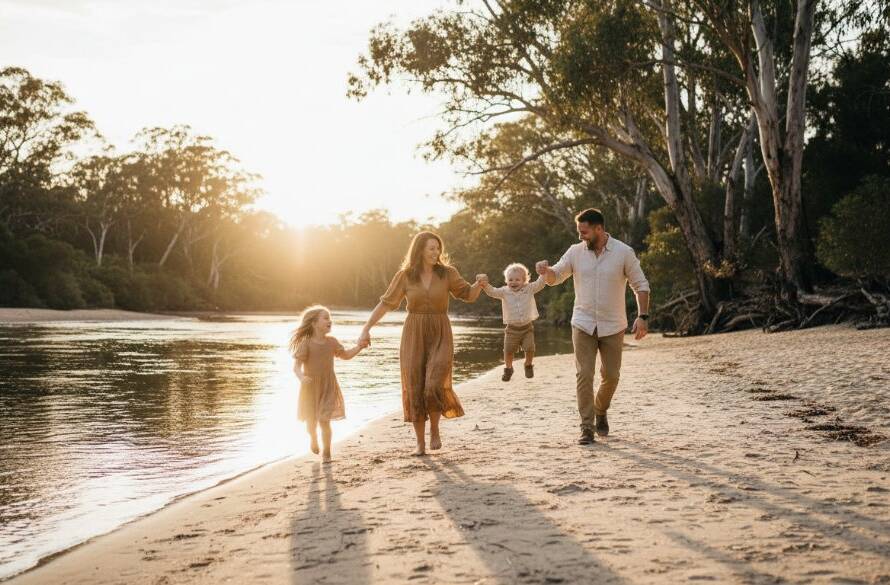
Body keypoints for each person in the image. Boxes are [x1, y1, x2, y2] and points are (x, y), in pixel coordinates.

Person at [358, 231, 483, 456]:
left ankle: (435, 430)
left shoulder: (448, 273)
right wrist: (367, 328)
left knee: (434, 384)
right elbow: (386, 304)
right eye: (431, 248)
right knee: (415, 386)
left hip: (440, 331)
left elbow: (468, 295)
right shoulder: (405, 276)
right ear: (420, 250)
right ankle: (420, 443)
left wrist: (479, 284)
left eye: (438, 248)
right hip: (413, 333)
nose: (436, 252)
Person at [536, 208, 650, 445]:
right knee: (584, 375)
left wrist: (643, 316)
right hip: (583, 323)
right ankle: (586, 427)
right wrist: (546, 272)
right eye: (579, 232)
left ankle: (600, 410)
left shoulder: (623, 252)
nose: (580, 237)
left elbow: (641, 285)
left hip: (613, 325)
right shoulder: (575, 252)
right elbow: (556, 276)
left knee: (611, 376)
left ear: (599, 229)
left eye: (584, 232)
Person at [290, 305, 366, 463]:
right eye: (325, 318)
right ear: (314, 323)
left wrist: (359, 346)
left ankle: (327, 452)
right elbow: (296, 367)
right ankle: (313, 438)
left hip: (328, 386)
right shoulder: (306, 343)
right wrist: (302, 377)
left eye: (330, 317)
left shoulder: (332, 342)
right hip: (310, 388)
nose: (329, 320)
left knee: (324, 420)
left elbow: (346, 355)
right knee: (311, 423)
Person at [476, 263, 546, 381]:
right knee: (508, 351)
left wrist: (543, 273)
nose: (513, 282)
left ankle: (528, 365)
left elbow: (540, 284)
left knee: (530, 348)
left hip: (527, 328)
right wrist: (485, 284)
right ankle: (508, 369)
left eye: (517, 280)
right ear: (506, 281)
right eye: (510, 280)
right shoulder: (504, 291)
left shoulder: (529, 289)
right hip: (511, 330)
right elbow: (492, 291)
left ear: (524, 280)